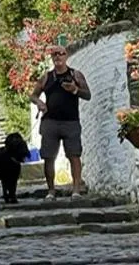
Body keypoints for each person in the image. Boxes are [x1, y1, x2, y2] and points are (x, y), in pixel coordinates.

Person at [29, 46, 91, 199]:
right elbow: (33, 95)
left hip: (71, 122)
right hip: (50, 122)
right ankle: (51, 190)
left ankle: (76, 189)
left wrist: (75, 89)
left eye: (61, 54)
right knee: (49, 157)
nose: (57, 57)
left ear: (66, 56)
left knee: (74, 155)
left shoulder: (75, 74)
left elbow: (87, 95)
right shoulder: (46, 77)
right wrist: (39, 103)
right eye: (54, 55)